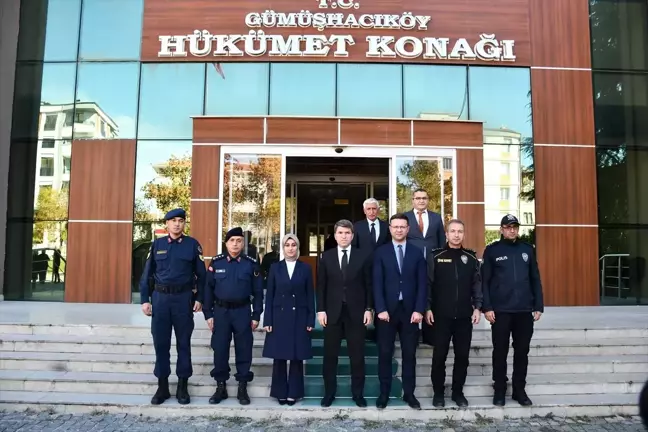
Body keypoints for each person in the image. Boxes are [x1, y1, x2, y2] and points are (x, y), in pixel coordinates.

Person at [139, 208, 206, 405]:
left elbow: (202, 276)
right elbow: (147, 274)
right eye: (173, 220)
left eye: (181, 220)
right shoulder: (157, 244)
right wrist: (145, 299)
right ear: (166, 224)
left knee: (183, 344)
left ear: (184, 224)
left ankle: (183, 387)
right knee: (161, 344)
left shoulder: (192, 245)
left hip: (183, 300)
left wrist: (200, 299)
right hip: (160, 300)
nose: (177, 224)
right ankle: (162, 387)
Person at [482, 214, 544, 407]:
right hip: (500, 311)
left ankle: (519, 390)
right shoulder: (492, 250)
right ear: (501, 229)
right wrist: (487, 307)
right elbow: (485, 281)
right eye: (508, 227)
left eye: (515, 227)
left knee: (522, 352)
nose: (512, 230)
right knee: (500, 351)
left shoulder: (527, 250)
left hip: (524, 310)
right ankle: (499, 389)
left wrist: (538, 305)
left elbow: (535, 278)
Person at [425, 219, 482, 408]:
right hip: (441, 316)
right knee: (439, 356)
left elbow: (477, 285)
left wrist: (477, 307)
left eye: (460, 231)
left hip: (464, 317)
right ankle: (438, 394)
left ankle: (458, 393)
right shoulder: (435, 256)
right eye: (453, 231)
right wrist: (427, 308)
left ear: (464, 234)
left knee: (462, 357)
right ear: (447, 234)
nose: (456, 234)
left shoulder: (471, 258)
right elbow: (428, 285)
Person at [317, 219, 373, 408]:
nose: (343, 236)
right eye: (340, 233)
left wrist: (368, 309)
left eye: (347, 233)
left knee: (357, 357)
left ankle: (358, 394)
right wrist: (321, 310)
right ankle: (329, 393)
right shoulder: (325, 256)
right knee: (329, 356)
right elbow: (321, 286)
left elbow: (368, 285)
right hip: (332, 313)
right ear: (335, 235)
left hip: (356, 313)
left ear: (352, 235)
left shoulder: (363, 256)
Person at [204, 227, 264, 406]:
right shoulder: (216, 263)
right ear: (226, 243)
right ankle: (220, 386)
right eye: (232, 241)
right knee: (220, 348)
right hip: (221, 312)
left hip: (242, 311)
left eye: (239, 240)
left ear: (243, 243)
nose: (235, 244)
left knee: (244, 349)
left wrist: (256, 315)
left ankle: (242, 386)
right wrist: (208, 314)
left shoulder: (251, 263)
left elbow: (258, 291)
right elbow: (208, 289)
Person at [372, 213, 426, 410]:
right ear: (390, 229)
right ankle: (384, 393)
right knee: (385, 353)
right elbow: (376, 283)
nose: (399, 230)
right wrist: (380, 309)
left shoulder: (416, 252)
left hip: (410, 312)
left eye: (402, 227)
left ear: (408, 229)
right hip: (386, 313)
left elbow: (422, 284)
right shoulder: (381, 252)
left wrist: (420, 309)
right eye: (395, 227)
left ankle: (409, 394)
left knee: (409, 354)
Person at [262, 234, 315, 405]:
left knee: (296, 356)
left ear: (297, 247)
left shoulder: (305, 268)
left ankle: (294, 392)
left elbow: (309, 296)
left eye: (293, 245)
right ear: (283, 248)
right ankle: (280, 392)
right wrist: (267, 320)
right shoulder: (275, 268)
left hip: (299, 317)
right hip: (279, 317)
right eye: (287, 245)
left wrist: (310, 320)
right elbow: (269, 296)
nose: (290, 248)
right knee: (279, 356)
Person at [404, 189, 446, 257]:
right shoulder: (405, 217)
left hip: (433, 258)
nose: (421, 201)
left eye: (424, 198)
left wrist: (441, 256)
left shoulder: (436, 217)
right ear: (413, 200)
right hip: (411, 257)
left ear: (428, 200)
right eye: (418, 198)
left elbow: (441, 239)